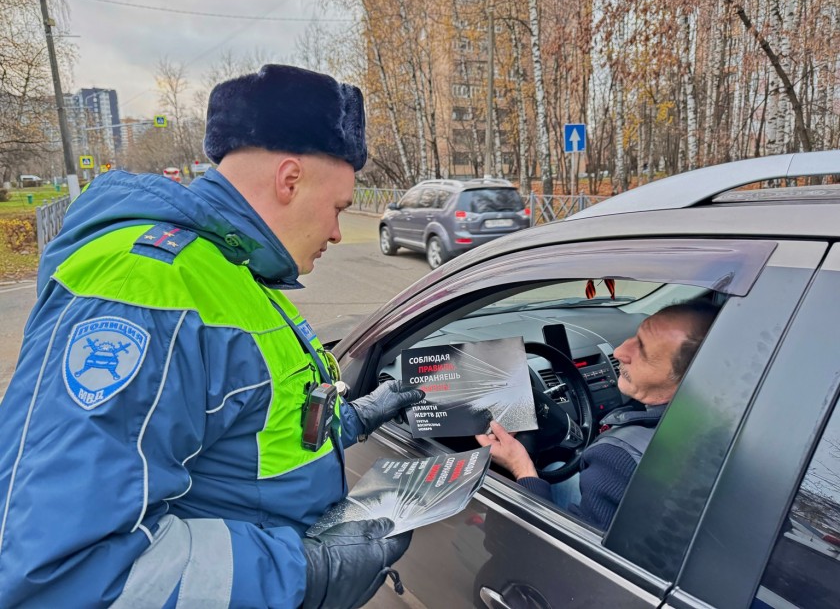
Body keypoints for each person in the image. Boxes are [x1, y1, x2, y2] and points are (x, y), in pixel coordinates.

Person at [0, 65, 425, 608]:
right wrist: (306, 574)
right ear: (289, 179)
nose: (340, 232)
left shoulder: (230, 270)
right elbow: (61, 571)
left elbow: (244, 434)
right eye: (339, 207)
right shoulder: (146, 286)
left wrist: (353, 418)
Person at [477, 301, 718, 531]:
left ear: (688, 380)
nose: (620, 351)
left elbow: (563, 561)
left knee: (551, 469)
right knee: (559, 467)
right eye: (636, 336)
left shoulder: (617, 457)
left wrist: (521, 468)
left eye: (642, 350)